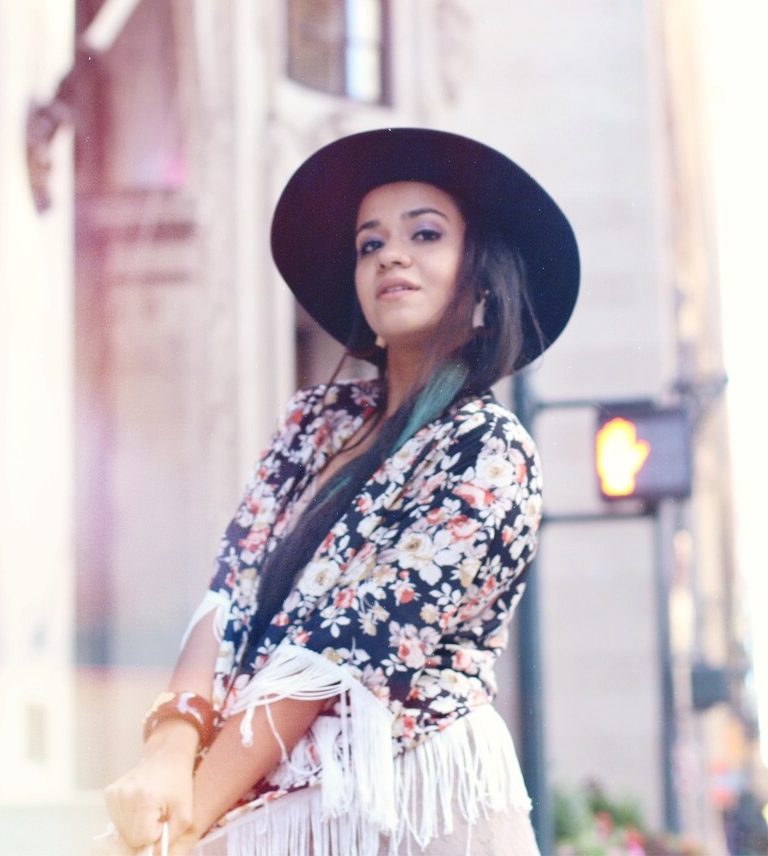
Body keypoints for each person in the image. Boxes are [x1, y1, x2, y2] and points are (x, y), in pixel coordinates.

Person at [95, 126, 580, 856]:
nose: (391, 255)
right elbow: (230, 589)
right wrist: (167, 750)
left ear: (480, 275)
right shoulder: (316, 424)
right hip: (271, 800)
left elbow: (339, 656)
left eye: (424, 234)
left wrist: (185, 822)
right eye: (368, 243)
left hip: (415, 811)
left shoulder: (489, 450)